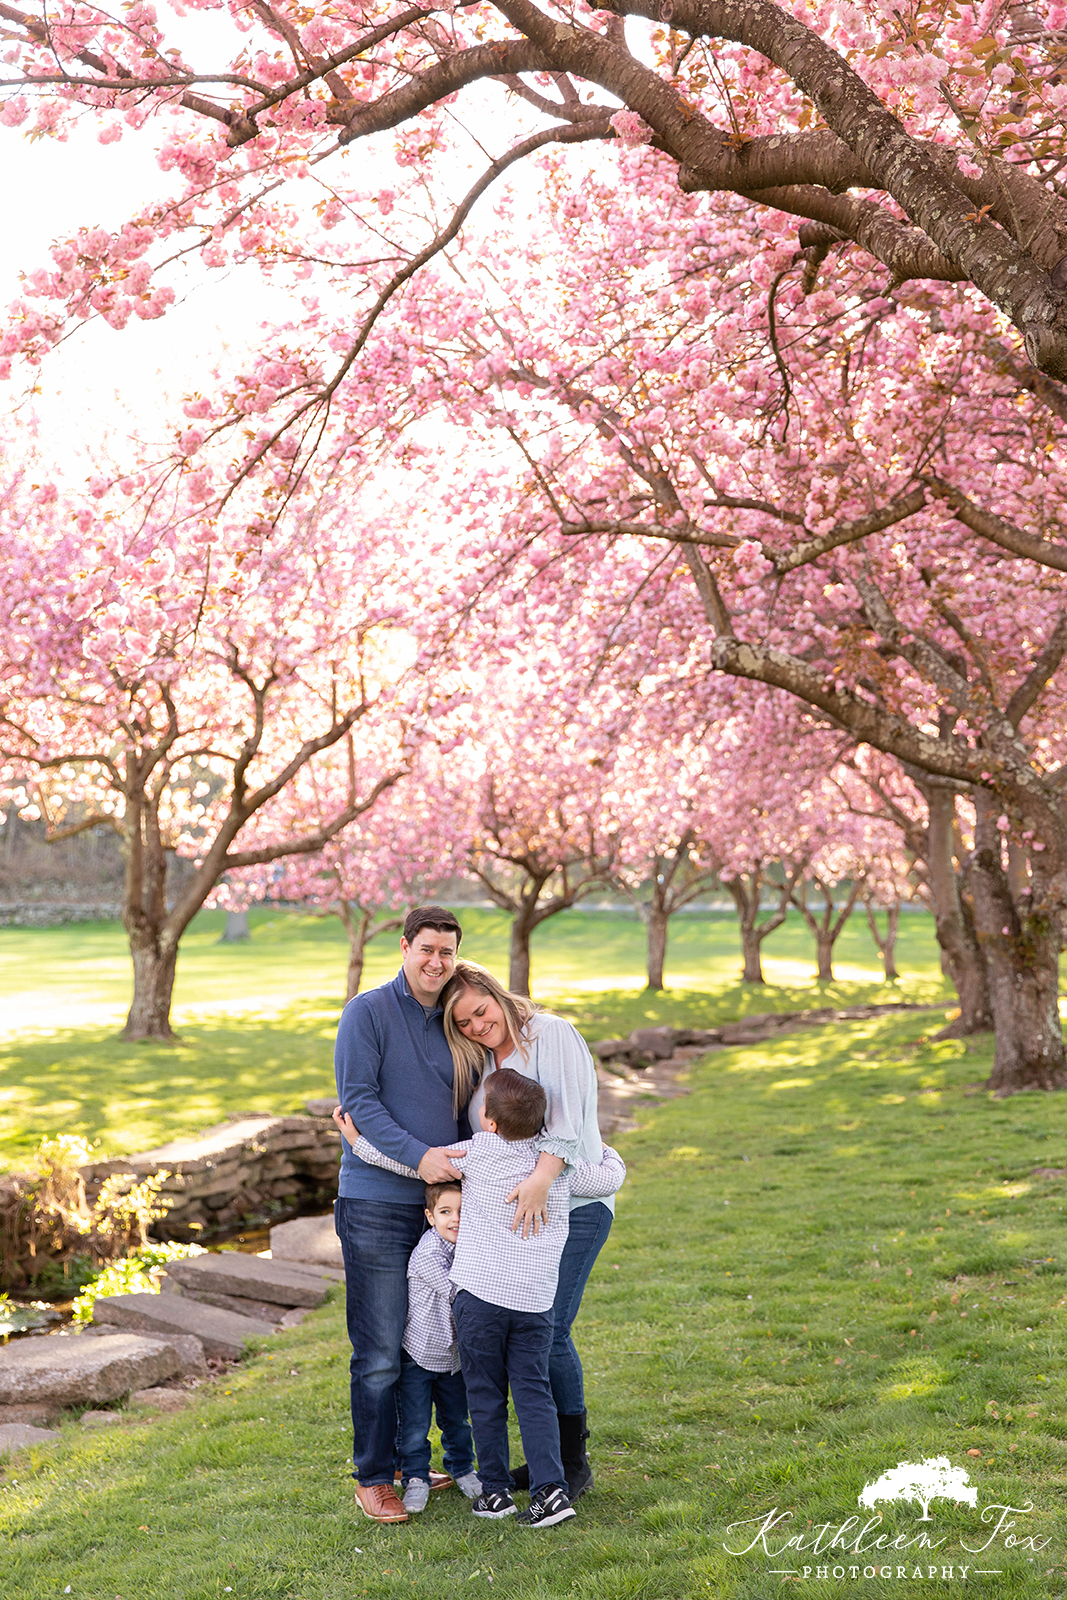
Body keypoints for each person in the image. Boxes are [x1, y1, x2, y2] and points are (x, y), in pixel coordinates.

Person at [340, 1068, 626, 1529]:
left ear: (489, 1122)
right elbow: (609, 1179)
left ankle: (495, 1493)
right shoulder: (556, 1166)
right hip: (535, 1303)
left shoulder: (478, 1153)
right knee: (534, 1394)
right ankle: (550, 1490)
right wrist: (606, 1150)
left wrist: (359, 1144)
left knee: (486, 1396)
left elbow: (418, 1164)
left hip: (480, 1300)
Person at [439, 960, 613, 1501]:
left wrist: (540, 1181)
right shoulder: (487, 1062)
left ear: (497, 994)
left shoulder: (550, 1035)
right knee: (526, 1337)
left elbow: (565, 1121)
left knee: (551, 1329)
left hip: (573, 1203)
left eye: (480, 1011)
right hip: (515, 1222)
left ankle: (571, 1461)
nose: (475, 1025)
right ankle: (545, 1463)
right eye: (461, 1023)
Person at [333, 904, 467, 1525]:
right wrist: (424, 1158)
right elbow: (358, 1102)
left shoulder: (457, 1019)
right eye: (427, 950)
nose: (437, 962)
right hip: (377, 1205)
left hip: (446, 1211)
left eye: (448, 952)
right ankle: (374, 1475)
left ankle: (415, 1460)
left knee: (432, 1342)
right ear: (406, 949)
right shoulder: (367, 1012)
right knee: (382, 1348)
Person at [396, 1179, 482, 1513]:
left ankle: (462, 1468)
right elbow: (458, 1291)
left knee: (457, 1419)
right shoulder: (429, 1252)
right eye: (446, 1212)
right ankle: (416, 1479)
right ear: (431, 1217)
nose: (455, 1218)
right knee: (415, 1425)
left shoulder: (470, 1245)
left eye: (462, 1211)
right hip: (419, 1353)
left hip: (453, 1357)